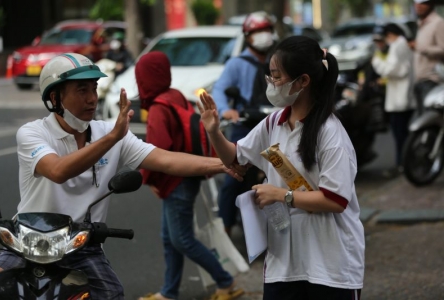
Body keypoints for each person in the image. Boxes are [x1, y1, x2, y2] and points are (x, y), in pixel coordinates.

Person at [0, 53, 245, 300]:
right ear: (55, 97)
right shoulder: (32, 133)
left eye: (94, 89)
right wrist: (112, 137)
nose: (92, 99)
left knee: (112, 293)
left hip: (80, 246)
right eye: (82, 90)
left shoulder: (109, 132)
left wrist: (222, 163)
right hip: (28, 241)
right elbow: (57, 171)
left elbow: (166, 158)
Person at [199, 36, 365, 299]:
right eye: (270, 76)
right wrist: (214, 132)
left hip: (331, 265)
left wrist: (282, 196)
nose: (271, 84)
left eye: (276, 77)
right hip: (284, 263)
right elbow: (235, 157)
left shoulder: (331, 133)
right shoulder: (273, 122)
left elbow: (336, 200)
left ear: (303, 81)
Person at [134, 51, 244, 300]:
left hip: (175, 180)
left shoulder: (158, 108)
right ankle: (169, 292)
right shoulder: (174, 96)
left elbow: (155, 151)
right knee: (169, 238)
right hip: (190, 174)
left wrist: (147, 178)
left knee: (182, 240)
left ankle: (226, 281)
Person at [211, 11, 276, 236]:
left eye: (266, 30)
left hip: (273, 125)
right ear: (248, 36)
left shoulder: (277, 60)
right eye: (258, 32)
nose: (263, 36)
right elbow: (219, 89)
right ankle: (225, 231)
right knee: (233, 178)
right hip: (245, 126)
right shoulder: (237, 63)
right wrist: (226, 110)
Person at [372, 23, 416, 178]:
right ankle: (405, 165)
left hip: (399, 99)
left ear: (390, 34)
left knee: (400, 136)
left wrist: (377, 62)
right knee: (402, 134)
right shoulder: (403, 44)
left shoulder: (398, 45)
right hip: (403, 97)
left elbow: (391, 70)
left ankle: (402, 165)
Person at [412, 0, 444, 115]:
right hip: (419, 80)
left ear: (430, 4)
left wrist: (421, 48)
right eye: (416, 3)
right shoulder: (421, 23)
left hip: (432, 80)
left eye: (422, 3)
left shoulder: (438, 22)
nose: (418, 6)